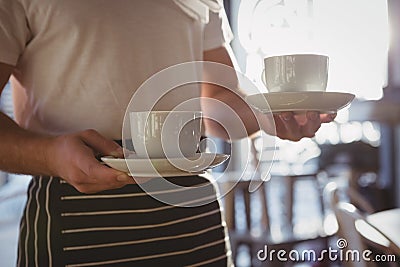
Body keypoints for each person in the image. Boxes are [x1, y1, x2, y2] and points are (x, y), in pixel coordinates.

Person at [0, 1, 335, 266]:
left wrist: (272, 115)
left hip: (193, 215)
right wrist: (48, 156)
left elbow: (216, 102)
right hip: (76, 216)